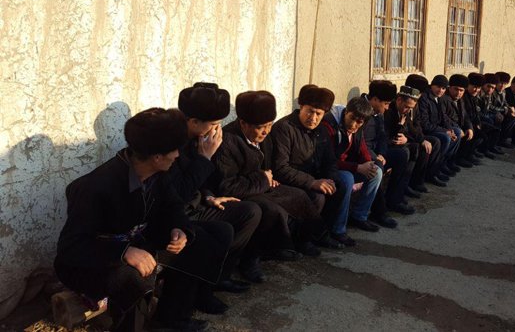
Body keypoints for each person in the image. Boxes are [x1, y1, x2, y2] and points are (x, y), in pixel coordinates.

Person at [55, 108, 231, 332]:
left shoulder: (158, 173)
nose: (177, 155)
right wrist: (123, 252)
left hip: (137, 241)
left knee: (207, 236)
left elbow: (172, 206)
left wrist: (179, 229)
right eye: (174, 150)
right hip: (90, 261)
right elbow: (70, 247)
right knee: (133, 276)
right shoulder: (96, 187)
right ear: (157, 157)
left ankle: (171, 318)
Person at [214, 90, 330, 269]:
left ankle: (306, 239)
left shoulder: (265, 137)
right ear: (243, 123)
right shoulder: (228, 141)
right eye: (261, 127)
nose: (266, 131)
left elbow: (269, 167)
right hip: (242, 193)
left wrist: (269, 178)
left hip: (262, 186)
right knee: (271, 210)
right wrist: (263, 179)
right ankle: (251, 260)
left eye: (269, 125)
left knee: (300, 196)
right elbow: (227, 186)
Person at [167, 82, 262, 299]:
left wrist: (210, 196)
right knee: (220, 231)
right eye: (214, 124)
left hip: (199, 204)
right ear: (193, 121)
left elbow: (203, 182)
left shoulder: (199, 137)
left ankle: (220, 276)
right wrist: (205, 158)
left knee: (250, 211)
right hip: (179, 213)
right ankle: (204, 288)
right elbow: (178, 193)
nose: (217, 130)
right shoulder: (170, 142)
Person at [269, 84, 348, 248]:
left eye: (318, 114)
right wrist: (311, 182)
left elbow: (330, 160)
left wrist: (331, 178)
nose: (313, 118)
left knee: (339, 186)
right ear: (301, 106)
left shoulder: (322, 130)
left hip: (313, 177)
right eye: (310, 111)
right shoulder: (284, 128)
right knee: (316, 196)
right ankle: (303, 240)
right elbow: (280, 168)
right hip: (288, 181)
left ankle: (324, 233)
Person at [322, 96, 383, 237]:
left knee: (377, 172)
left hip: (347, 166)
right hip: (329, 168)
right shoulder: (329, 126)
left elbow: (362, 148)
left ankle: (359, 216)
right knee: (347, 178)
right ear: (346, 112)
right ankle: (338, 229)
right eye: (352, 118)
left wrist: (368, 164)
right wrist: (357, 168)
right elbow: (329, 160)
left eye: (359, 122)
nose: (354, 124)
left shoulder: (358, 128)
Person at [383, 85, 436, 213]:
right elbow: (385, 136)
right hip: (386, 147)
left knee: (418, 148)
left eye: (411, 108)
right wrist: (399, 134)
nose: (408, 110)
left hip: (398, 144)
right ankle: (394, 199)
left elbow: (411, 129)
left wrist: (421, 140)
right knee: (405, 153)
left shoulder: (404, 112)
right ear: (399, 100)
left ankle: (403, 189)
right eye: (407, 106)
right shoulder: (389, 111)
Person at [361, 80, 403, 227]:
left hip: (376, 152)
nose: (387, 107)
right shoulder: (361, 111)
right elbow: (359, 143)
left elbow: (382, 136)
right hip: (362, 155)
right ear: (374, 99)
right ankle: (378, 212)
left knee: (402, 155)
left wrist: (382, 154)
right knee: (377, 168)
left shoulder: (378, 113)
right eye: (385, 103)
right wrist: (375, 157)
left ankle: (394, 199)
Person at [405, 74, 448, 187]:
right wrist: (421, 139)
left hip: (417, 135)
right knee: (419, 147)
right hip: (407, 138)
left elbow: (417, 123)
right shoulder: (404, 103)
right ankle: (411, 183)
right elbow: (409, 126)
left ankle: (428, 175)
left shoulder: (417, 103)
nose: (422, 95)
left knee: (436, 141)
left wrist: (447, 129)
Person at [417, 75, 464, 176]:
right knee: (445, 138)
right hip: (427, 131)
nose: (440, 90)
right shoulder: (425, 98)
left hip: (437, 128)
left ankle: (443, 164)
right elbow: (425, 124)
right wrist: (445, 131)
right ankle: (433, 170)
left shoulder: (440, 98)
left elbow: (444, 117)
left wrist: (449, 129)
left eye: (443, 88)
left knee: (456, 132)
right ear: (432, 86)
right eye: (438, 87)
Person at [478, 73, 507, 156]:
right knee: (490, 121)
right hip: (478, 117)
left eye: (493, 88)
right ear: (483, 85)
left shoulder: (489, 94)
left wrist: (498, 113)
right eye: (488, 86)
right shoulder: (479, 94)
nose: (490, 89)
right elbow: (478, 112)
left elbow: (488, 108)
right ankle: (484, 148)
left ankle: (491, 146)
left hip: (485, 114)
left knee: (498, 119)